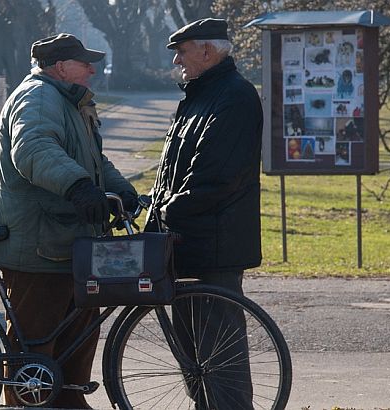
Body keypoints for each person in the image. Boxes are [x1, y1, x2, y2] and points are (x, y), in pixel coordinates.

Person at [0, 33, 137, 408]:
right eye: (84, 62)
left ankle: (70, 401)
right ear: (59, 66)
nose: (92, 68)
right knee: (35, 343)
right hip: (37, 244)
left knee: (80, 331)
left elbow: (95, 162)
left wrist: (123, 192)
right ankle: (27, 405)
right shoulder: (37, 97)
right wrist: (80, 189)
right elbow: (34, 150)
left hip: (68, 241)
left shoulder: (70, 101)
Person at [145, 18, 262, 409]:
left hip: (214, 246)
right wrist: (154, 208)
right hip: (186, 242)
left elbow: (216, 175)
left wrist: (166, 209)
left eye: (182, 50)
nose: (177, 59)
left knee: (219, 358)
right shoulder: (199, 95)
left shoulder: (234, 96)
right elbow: (172, 170)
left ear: (207, 51)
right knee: (195, 357)